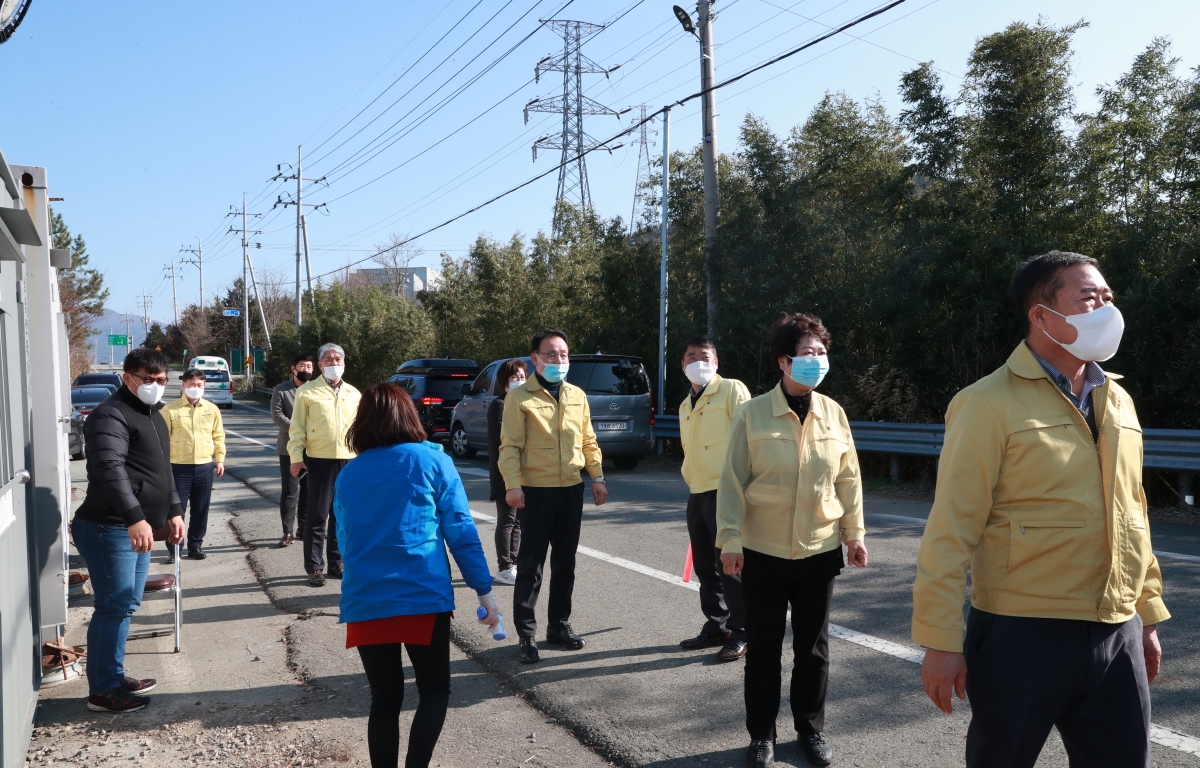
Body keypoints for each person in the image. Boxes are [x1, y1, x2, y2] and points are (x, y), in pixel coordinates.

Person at [913, 251, 1170, 768]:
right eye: (1089, 297)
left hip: (1116, 629)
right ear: (1041, 315)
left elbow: (1132, 511)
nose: (1106, 307)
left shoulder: (1116, 400)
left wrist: (1147, 612)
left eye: (1107, 296)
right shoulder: (985, 403)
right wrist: (940, 641)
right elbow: (951, 528)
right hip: (1022, 633)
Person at [716, 313, 867, 768]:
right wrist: (730, 540)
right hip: (763, 550)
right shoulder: (753, 413)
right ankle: (761, 734)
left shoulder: (833, 413)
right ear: (784, 361)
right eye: (808, 353)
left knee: (813, 650)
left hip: (819, 551)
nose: (817, 361)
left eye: (822, 353)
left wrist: (854, 534)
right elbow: (731, 481)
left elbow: (849, 480)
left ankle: (810, 730)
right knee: (763, 649)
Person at [335, 383, 499, 768]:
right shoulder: (432, 461)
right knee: (435, 691)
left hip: (365, 598)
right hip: (420, 593)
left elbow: (345, 537)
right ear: (408, 415)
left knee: (384, 700)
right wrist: (483, 591)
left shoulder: (349, 473)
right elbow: (460, 529)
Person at [72, 348, 185, 713]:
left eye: (162, 381)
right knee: (113, 607)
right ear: (127, 378)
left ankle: (114, 676)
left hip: (134, 529)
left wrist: (175, 511)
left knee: (125, 605)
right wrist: (136, 516)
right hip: (110, 526)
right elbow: (110, 469)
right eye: (147, 380)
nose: (155, 386)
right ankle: (102, 692)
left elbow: (162, 470)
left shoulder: (153, 414)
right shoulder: (110, 415)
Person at [499, 329, 606, 664]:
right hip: (536, 491)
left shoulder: (577, 395)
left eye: (563, 354)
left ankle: (558, 625)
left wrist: (597, 477)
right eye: (551, 354)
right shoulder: (520, 398)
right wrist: (512, 485)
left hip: (571, 489)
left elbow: (588, 440)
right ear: (535, 359)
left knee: (565, 562)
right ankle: (526, 634)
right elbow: (510, 447)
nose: (559, 360)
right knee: (531, 565)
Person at [677, 336, 751, 662]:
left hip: (727, 490)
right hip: (697, 491)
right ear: (682, 365)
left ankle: (742, 632)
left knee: (730, 566)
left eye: (704, 356)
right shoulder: (684, 405)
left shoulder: (731, 390)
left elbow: (749, 437)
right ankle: (717, 624)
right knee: (706, 568)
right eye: (691, 357)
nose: (698, 362)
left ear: (716, 362)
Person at [288, 343, 361, 587]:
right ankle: (314, 567)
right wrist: (296, 457)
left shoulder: (354, 393)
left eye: (337, 359)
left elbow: (360, 430)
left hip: (349, 461)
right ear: (319, 365)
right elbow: (297, 429)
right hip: (318, 460)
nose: (333, 363)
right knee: (317, 516)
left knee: (342, 516)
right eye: (328, 360)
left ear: (344, 363)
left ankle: (336, 562)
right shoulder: (307, 392)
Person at [161, 368, 226, 561]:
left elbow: (218, 435)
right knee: (175, 509)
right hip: (177, 467)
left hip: (204, 466)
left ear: (204, 386)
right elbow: (163, 440)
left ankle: (195, 546)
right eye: (191, 385)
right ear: (183, 385)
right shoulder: (170, 409)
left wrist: (220, 459)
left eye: (199, 385)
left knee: (201, 508)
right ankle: (174, 548)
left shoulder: (211, 409)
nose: (195, 388)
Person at [488, 358, 527, 585]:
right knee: (507, 520)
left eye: (522, 377)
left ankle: (515, 563)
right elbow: (503, 438)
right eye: (514, 378)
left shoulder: (525, 403)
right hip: (505, 471)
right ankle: (504, 567)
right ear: (504, 382)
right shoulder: (500, 405)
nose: (519, 381)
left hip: (525, 473)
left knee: (519, 521)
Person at [272, 354, 314, 548]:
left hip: (313, 448)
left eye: (309, 367)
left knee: (308, 491)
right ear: (293, 368)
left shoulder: (316, 390)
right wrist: (298, 430)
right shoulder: (281, 390)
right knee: (290, 491)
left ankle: (303, 528)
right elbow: (278, 415)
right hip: (289, 447)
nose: (305, 370)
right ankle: (287, 531)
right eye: (302, 366)